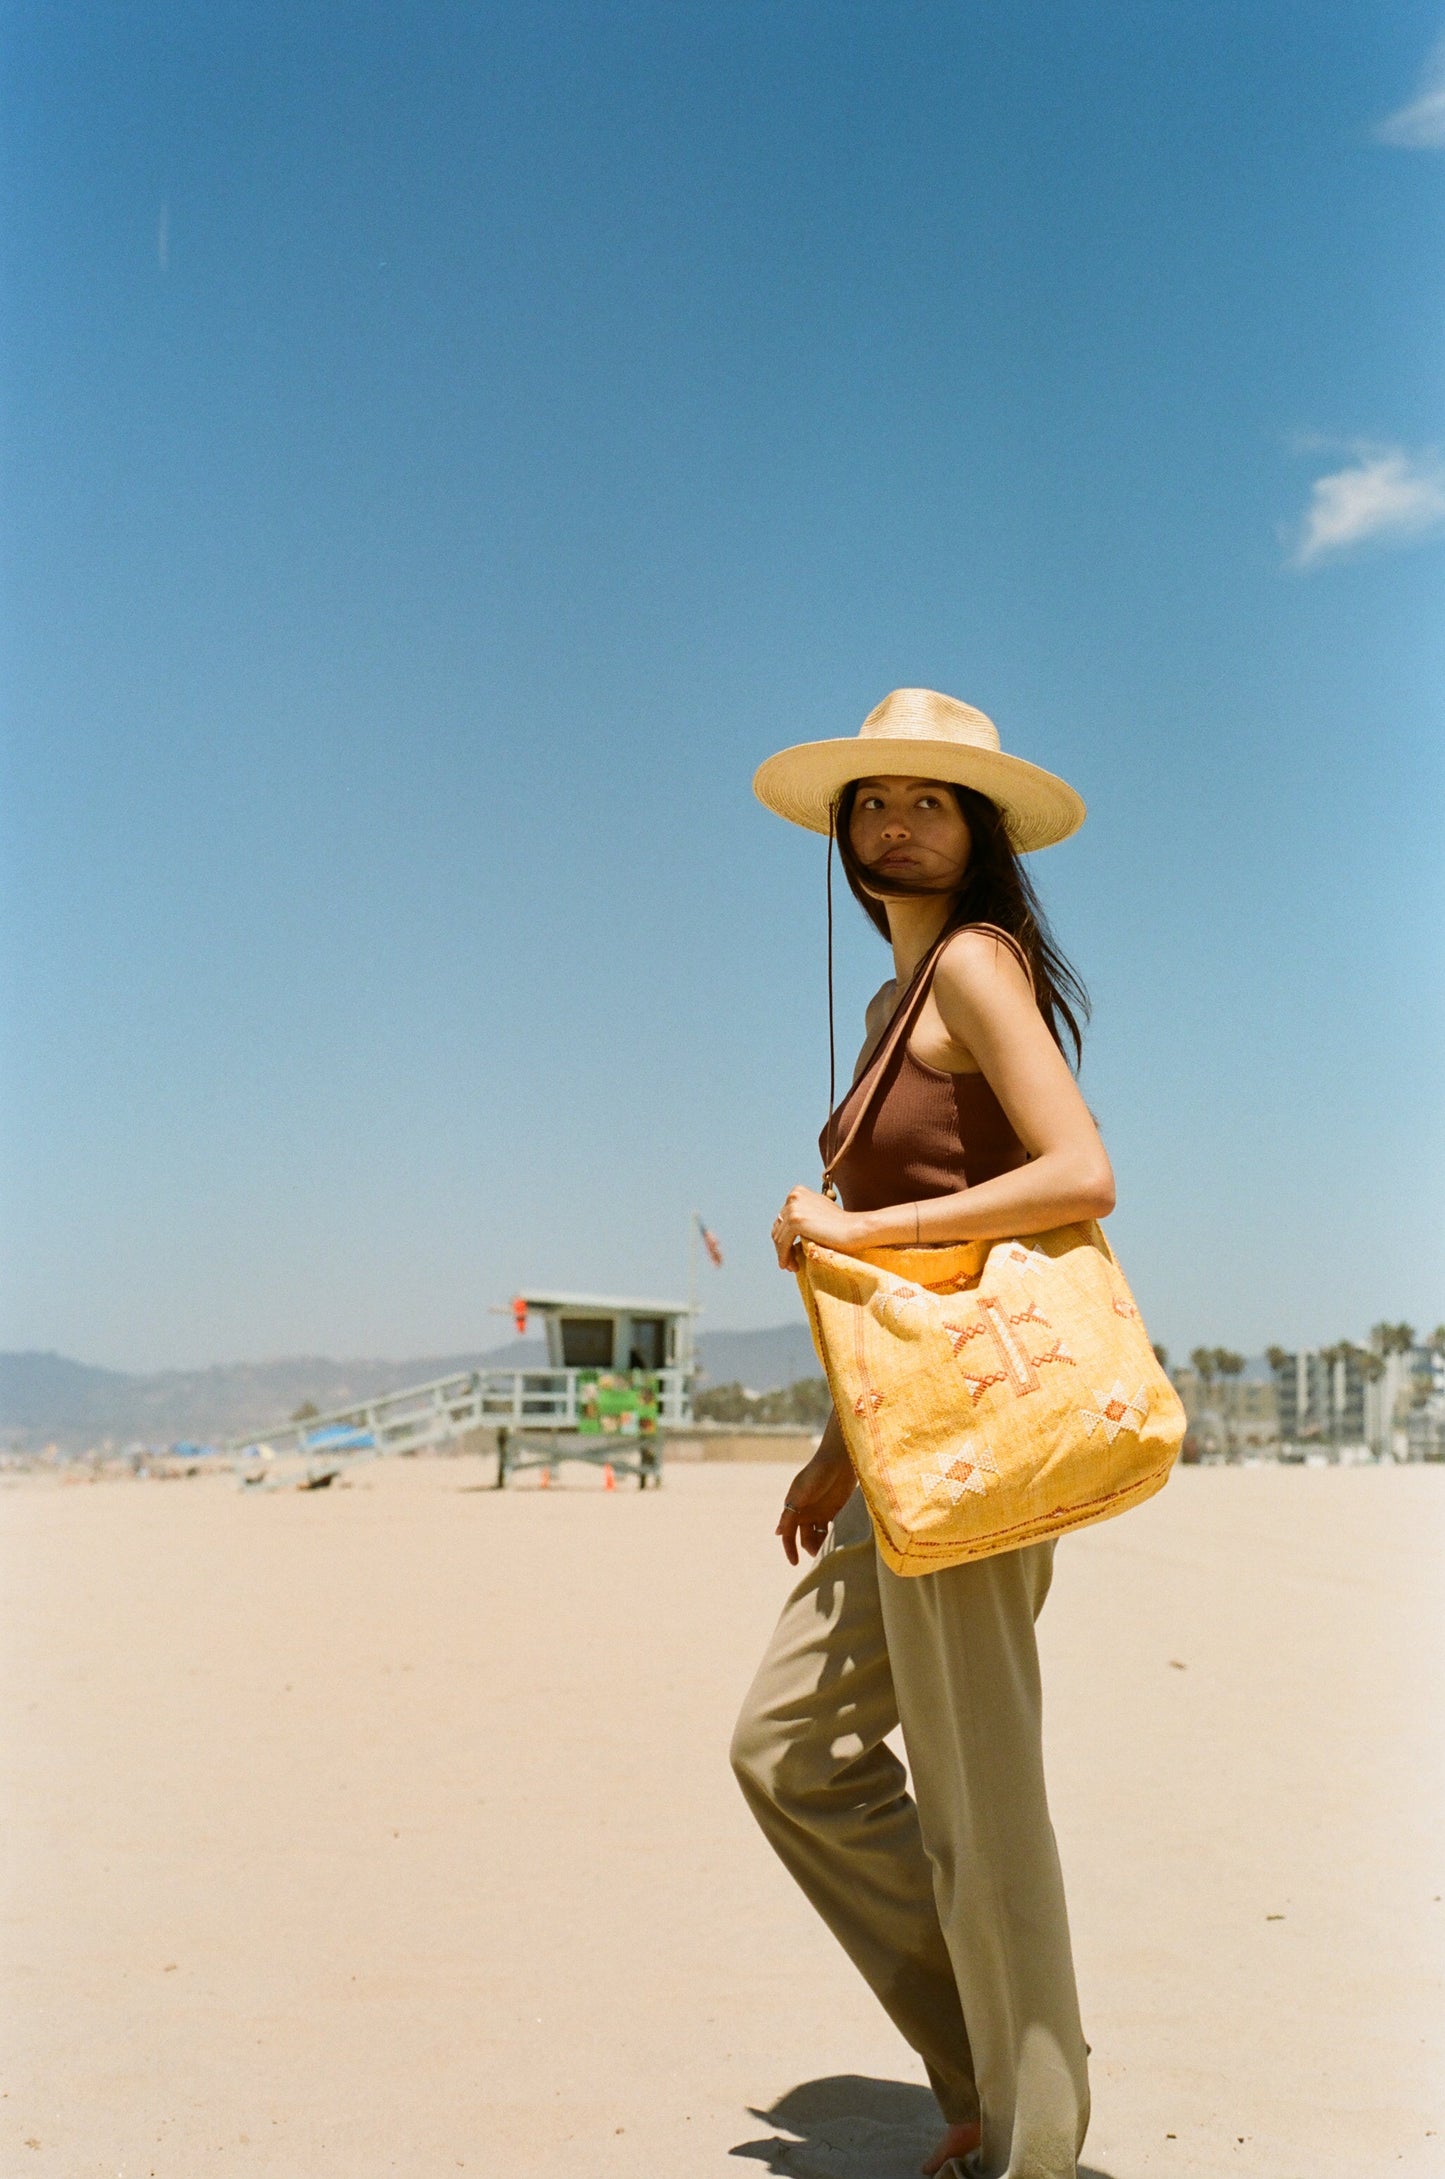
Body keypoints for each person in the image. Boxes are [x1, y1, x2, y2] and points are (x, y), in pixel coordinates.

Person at [731, 689, 1114, 2179]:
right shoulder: (894, 1013)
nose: (893, 825)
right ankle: (994, 2060)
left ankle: (1030, 2142)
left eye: (928, 803)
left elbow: (1079, 1172)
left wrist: (858, 1222)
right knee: (788, 1750)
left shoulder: (970, 966)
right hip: (895, 1450)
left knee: (979, 1799)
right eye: (871, 803)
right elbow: (898, 1273)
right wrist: (837, 1440)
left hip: (981, 1446)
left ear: (977, 835)